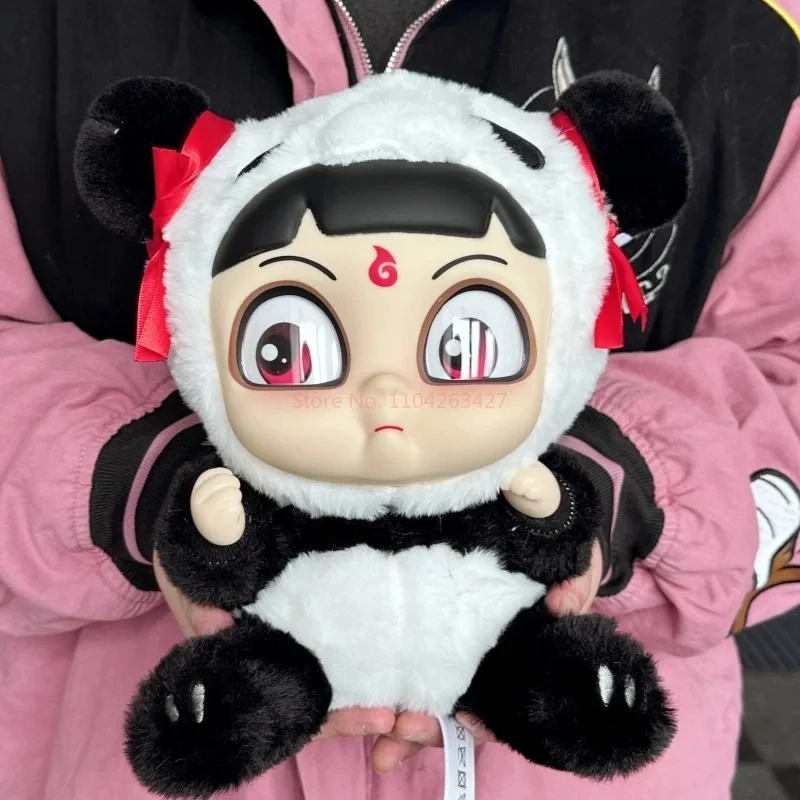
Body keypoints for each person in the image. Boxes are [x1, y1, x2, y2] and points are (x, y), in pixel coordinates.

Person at [0, 1, 798, 798]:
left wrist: (609, 493)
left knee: (576, 693)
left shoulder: (751, 27)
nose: (387, 396)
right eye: (284, 346)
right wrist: (147, 488)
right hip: (91, 752)